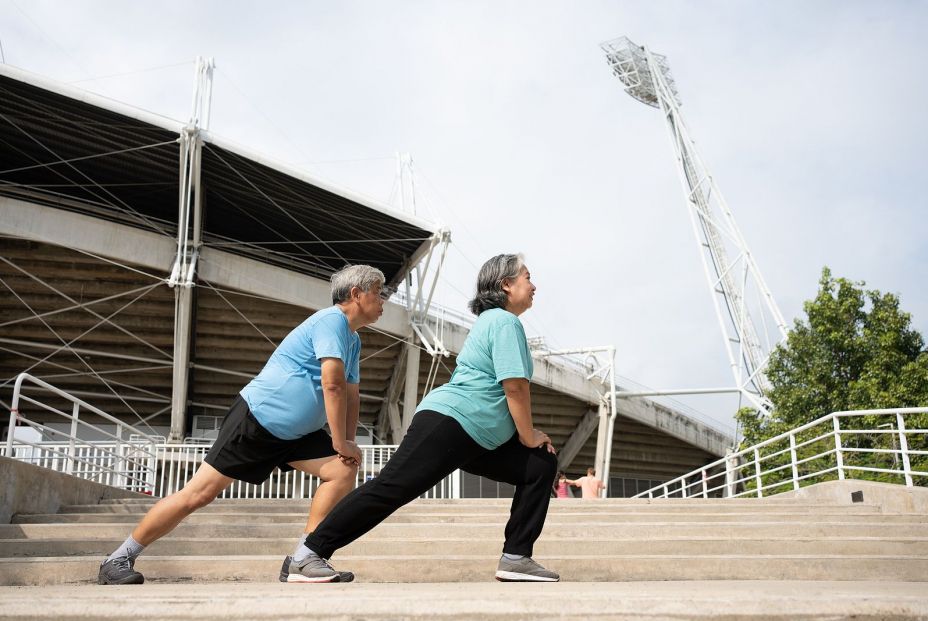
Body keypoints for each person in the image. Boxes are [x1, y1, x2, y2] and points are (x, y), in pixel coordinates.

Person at [97, 265, 387, 585]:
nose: (383, 300)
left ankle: (305, 557)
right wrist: (339, 440)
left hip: (298, 435)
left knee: (342, 468)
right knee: (199, 494)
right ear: (356, 295)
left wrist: (347, 440)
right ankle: (118, 558)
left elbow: (351, 393)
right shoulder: (330, 321)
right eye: (378, 291)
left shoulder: (354, 340)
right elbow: (332, 384)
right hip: (257, 421)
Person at [290, 253, 560, 582]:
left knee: (539, 465)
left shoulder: (497, 322)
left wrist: (527, 438)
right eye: (527, 277)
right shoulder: (504, 321)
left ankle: (516, 557)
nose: (534, 286)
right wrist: (528, 434)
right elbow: (514, 387)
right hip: (451, 423)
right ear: (506, 284)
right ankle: (307, 554)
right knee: (391, 488)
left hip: (478, 436)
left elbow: (509, 390)